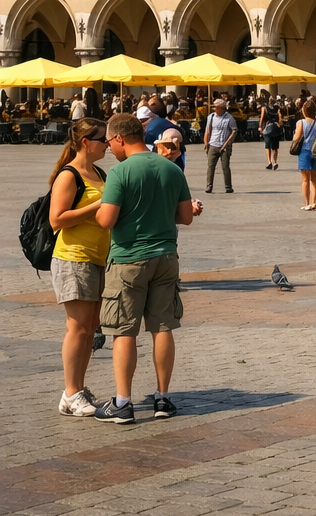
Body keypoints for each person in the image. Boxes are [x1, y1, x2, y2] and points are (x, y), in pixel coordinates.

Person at [93, 113, 201, 423]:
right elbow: (185, 217)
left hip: (128, 259)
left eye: (110, 142)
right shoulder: (171, 168)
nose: (110, 148)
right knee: (162, 326)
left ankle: (123, 401)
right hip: (166, 256)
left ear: (119, 139)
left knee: (124, 330)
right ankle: (163, 398)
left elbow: (106, 220)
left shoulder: (120, 172)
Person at [48, 117, 110, 417]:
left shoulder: (99, 172)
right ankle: (71, 392)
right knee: (78, 328)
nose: (108, 144)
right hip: (74, 257)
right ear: (87, 142)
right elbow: (56, 220)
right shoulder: (69, 175)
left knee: (89, 329)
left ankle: (76, 391)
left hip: (98, 257)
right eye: (103, 140)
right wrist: (97, 206)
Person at [203, 97, 237, 194]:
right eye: (214, 107)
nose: (214, 109)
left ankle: (228, 186)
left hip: (225, 146)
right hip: (213, 145)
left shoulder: (229, 118)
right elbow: (207, 130)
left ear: (221, 108)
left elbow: (234, 131)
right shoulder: (211, 117)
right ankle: (209, 186)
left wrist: (228, 143)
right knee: (210, 166)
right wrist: (206, 143)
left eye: (216, 107)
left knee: (225, 166)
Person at [295, 98, 316, 210]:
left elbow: (297, 138)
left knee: (305, 179)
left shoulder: (300, 122)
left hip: (304, 152)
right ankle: (314, 201)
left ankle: (307, 203)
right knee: (314, 179)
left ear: (304, 111)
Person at [259, 101, 281, 171]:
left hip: (267, 128)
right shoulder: (277, 108)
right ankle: (274, 162)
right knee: (275, 147)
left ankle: (269, 162)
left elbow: (262, 118)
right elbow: (280, 116)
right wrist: (279, 124)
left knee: (268, 146)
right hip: (275, 128)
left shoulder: (264, 108)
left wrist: (260, 127)